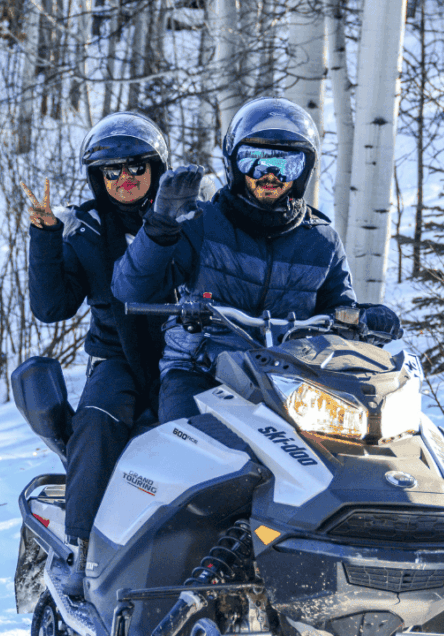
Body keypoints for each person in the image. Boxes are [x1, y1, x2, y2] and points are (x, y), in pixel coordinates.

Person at [112, 97, 402, 423]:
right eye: (256, 162)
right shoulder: (201, 222)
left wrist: (365, 319)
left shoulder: (321, 242)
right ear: (235, 165)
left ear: (304, 170)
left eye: (286, 164)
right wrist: (160, 226)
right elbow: (130, 289)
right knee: (189, 437)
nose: (271, 175)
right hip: (201, 368)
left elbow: (339, 315)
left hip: (292, 378)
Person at [22, 111, 173, 598]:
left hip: (187, 355)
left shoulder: (185, 217)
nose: (125, 178)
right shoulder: (84, 227)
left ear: (156, 168)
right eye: (112, 170)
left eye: (136, 167)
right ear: (97, 176)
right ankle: (81, 547)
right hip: (117, 356)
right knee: (98, 419)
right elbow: (52, 307)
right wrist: (46, 235)